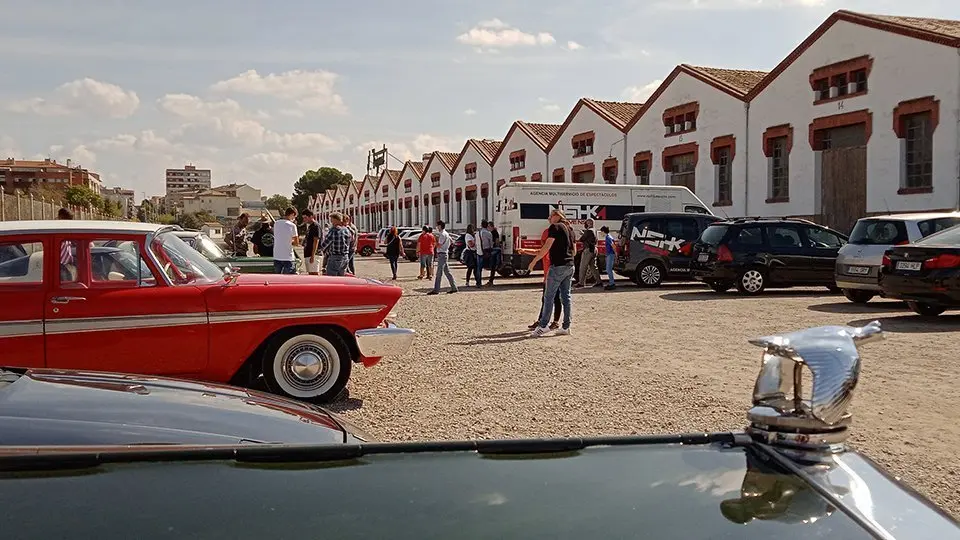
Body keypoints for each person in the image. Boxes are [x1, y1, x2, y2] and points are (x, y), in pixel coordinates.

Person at [526, 209, 575, 337]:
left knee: (549, 297)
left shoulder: (555, 227)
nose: (548, 219)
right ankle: (566, 326)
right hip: (570, 265)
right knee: (566, 297)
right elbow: (574, 250)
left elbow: (546, 247)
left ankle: (543, 326)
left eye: (550, 216)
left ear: (557, 216)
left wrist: (533, 262)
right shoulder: (570, 229)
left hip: (557, 266)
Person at [519, 226, 562, 330]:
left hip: (554, 277)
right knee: (548, 299)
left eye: (544, 240)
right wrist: (525, 250)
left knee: (554, 299)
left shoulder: (554, 250)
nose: (543, 242)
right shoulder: (548, 249)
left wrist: (525, 251)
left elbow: (538, 252)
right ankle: (542, 321)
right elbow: (538, 251)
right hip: (547, 278)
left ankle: (552, 321)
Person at [428, 220, 458, 295]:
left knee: (439, 273)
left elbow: (439, 245)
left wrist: (434, 242)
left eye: (437, 226)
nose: (437, 227)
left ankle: (436, 289)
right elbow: (451, 241)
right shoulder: (446, 234)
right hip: (445, 253)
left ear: (440, 226)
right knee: (447, 272)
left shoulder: (442, 234)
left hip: (442, 254)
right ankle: (454, 287)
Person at [320, 212, 352, 276]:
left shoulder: (334, 230)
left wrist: (319, 250)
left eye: (332, 220)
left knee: (332, 278)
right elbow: (350, 241)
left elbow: (325, 243)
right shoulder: (346, 230)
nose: (331, 222)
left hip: (335, 257)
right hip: (345, 257)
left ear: (336, 220)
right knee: (341, 278)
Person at [272, 208, 299, 274]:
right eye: (294, 217)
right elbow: (296, 243)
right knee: (288, 279)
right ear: (292, 214)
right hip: (288, 256)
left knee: (277, 278)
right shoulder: (292, 226)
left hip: (277, 255)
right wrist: (290, 241)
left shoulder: (276, 224)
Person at [577, 219, 599, 288]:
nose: (585, 225)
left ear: (589, 223)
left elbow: (581, 239)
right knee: (593, 267)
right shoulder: (595, 230)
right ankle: (599, 282)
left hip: (588, 249)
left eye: (586, 223)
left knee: (583, 267)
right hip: (594, 249)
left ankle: (581, 283)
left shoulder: (588, 231)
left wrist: (582, 233)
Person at [302, 210, 321, 276]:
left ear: (311, 216)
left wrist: (313, 255)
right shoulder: (310, 226)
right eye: (303, 218)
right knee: (310, 273)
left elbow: (316, 241)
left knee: (314, 273)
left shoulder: (315, 226)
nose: (304, 219)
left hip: (312, 254)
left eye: (305, 217)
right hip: (308, 253)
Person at [476, 220, 494, 288]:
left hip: (479, 251)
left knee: (479, 269)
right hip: (487, 251)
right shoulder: (488, 233)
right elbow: (491, 244)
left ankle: (478, 283)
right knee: (492, 266)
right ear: (487, 226)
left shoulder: (478, 233)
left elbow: (476, 243)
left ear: (481, 225)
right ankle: (491, 280)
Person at [600, 226, 618, 290]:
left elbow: (613, 245)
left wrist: (616, 254)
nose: (600, 233)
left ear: (603, 231)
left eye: (601, 232)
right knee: (608, 269)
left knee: (608, 269)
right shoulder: (608, 236)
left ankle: (612, 283)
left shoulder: (608, 237)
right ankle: (611, 283)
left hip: (610, 254)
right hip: (610, 254)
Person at [486, 221, 501, 286]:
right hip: (493, 249)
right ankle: (491, 280)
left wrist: (495, 245)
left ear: (491, 226)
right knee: (492, 266)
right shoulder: (491, 232)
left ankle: (491, 280)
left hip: (494, 250)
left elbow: (497, 241)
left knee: (493, 265)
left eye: (488, 226)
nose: (488, 228)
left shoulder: (494, 232)